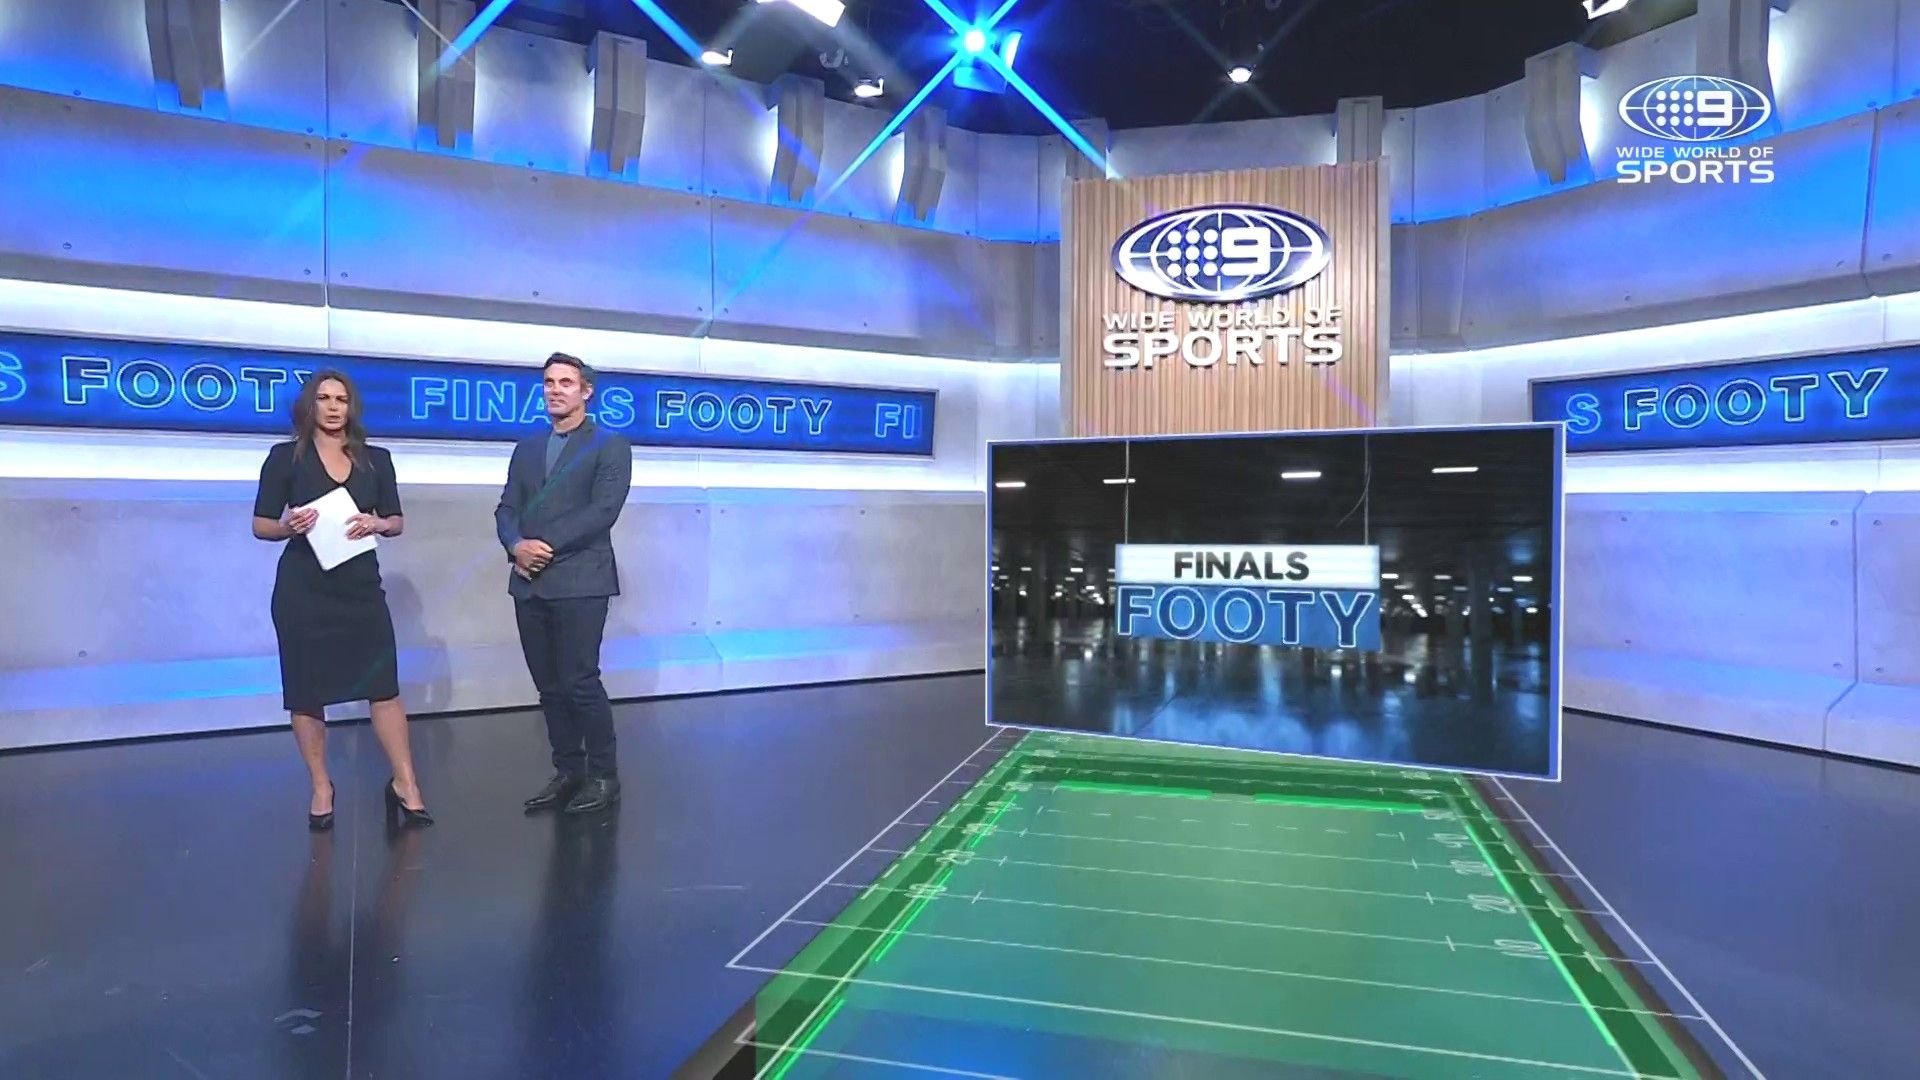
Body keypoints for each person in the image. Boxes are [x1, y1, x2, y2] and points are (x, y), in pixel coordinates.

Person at [252, 369, 433, 830]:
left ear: (352, 407)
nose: (334, 407)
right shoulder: (284, 458)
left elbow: (396, 520)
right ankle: (321, 786)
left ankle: (406, 784)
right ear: (309, 405)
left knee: (383, 687)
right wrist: (288, 526)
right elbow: (261, 525)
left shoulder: (377, 459)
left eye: (342, 399)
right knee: (306, 692)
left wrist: (378, 524)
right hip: (303, 591)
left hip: (360, 589)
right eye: (325, 398)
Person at [494, 353, 633, 815]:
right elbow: (507, 508)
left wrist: (542, 547)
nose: (555, 390)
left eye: (566, 383)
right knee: (549, 686)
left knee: (579, 682)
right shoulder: (527, 447)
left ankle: (603, 775)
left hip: (580, 581)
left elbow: (602, 511)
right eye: (549, 382)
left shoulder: (610, 445)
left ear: (586, 391)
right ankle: (568, 770)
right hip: (528, 582)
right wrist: (516, 545)